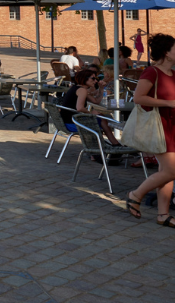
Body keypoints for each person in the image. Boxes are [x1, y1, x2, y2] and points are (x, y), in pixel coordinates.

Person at [125, 33, 175, 228]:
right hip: (159, 127)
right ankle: (135, 195)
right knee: (171, 170)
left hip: (172, 126)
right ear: (166, 53)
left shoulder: (173, 73)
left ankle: (163, 214)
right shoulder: (152, 72)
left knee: (167, 172)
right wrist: (168, 103)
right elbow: (138, 98)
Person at [60, 69, 119, 145]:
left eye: (96, 79)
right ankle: (113, 144)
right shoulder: (82, 90)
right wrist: (91, 113)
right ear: (84, 78)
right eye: (93, 78)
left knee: (101, 117)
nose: (96, 81)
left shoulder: (78, 88)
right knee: (102, 119)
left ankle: (110, 144)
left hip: (66, 121)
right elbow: (80, 108)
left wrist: (101, 88)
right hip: (72, 123)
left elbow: (96, 101)